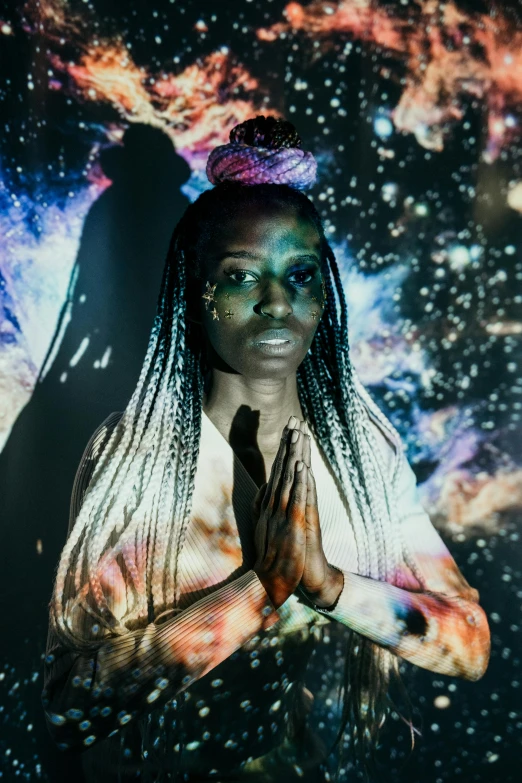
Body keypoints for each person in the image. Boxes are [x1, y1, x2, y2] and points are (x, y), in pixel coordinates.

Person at [41, 115, 490, 783]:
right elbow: (70, 703)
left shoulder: (363, 454)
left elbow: (469, 644)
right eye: (242, 274)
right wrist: (260, 590)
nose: (278, 302)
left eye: (302, 274)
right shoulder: (135, 459)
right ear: (196, 293)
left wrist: (329, 586)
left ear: (324, 295)